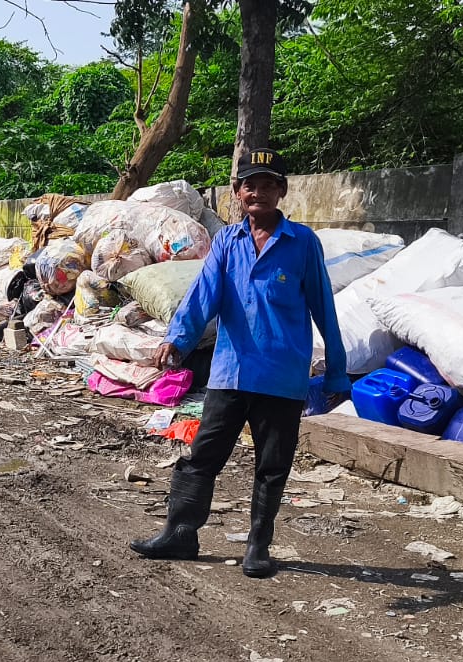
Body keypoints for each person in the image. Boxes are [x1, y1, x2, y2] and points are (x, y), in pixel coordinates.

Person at [129, 148, 349, 579]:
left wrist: (338, 372)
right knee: (202, 457)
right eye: (250, 184)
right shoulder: (227, 242)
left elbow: (325, 308)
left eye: (269, 185)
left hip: (282, 377)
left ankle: (258, 546)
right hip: (230, 373)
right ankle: (180, 534)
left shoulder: (302, 243)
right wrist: (176, 338)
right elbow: (203, 296)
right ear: (237, 192)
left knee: (272, 465)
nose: (259, 192)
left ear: (282, 192)